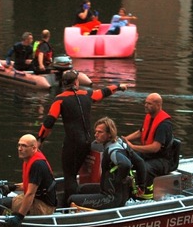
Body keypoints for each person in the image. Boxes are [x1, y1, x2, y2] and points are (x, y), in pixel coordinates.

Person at [37, 71, 127, 205]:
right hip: (87, 142)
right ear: (76, 82)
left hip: (72, 144)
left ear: (63, 83)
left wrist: (40, 139)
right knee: (74, 173)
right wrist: (118, 86)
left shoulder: (60, 99)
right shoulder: (87, 94)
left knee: (70, 176)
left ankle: (70, 205)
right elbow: (103, 92)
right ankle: (77, 199)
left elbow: (49, 122)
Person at [68, 117, 147, 210]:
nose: (96, 135)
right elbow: (140, 162)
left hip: (111, 198)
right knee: (81, 189)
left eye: (100, 132)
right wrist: (142, 186)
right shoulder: (121, 144)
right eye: (96, 131)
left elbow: (126, 164)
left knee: (71, 199)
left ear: (109, 134)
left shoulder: (112, 150)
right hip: (117, 193)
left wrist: (120, 179)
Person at [0, 134, 57, 227]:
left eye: (24, 146)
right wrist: (11, 187)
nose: (20, 149)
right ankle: (0, 225)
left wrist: (19, 217)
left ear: (34, 148)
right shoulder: (29, 160)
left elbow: (30, 193)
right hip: (37, 199)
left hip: (43, 206)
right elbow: (30, 185)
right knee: (4, 202)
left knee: (4, 203)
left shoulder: (37, 165)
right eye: (19, 145)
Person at [122, 92, 174, 198]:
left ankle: (146, 192)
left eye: (149, 104)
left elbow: (155, 148)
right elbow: (141, 132)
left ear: (158, 105)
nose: (146, 105)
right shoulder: (149, 117)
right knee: (126, 158)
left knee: (144, 167)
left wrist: (133, 147)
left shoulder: (164, 124)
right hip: (148, 155)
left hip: (162, 160)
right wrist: (125, 139)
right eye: (145, 103)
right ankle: (128, 187)